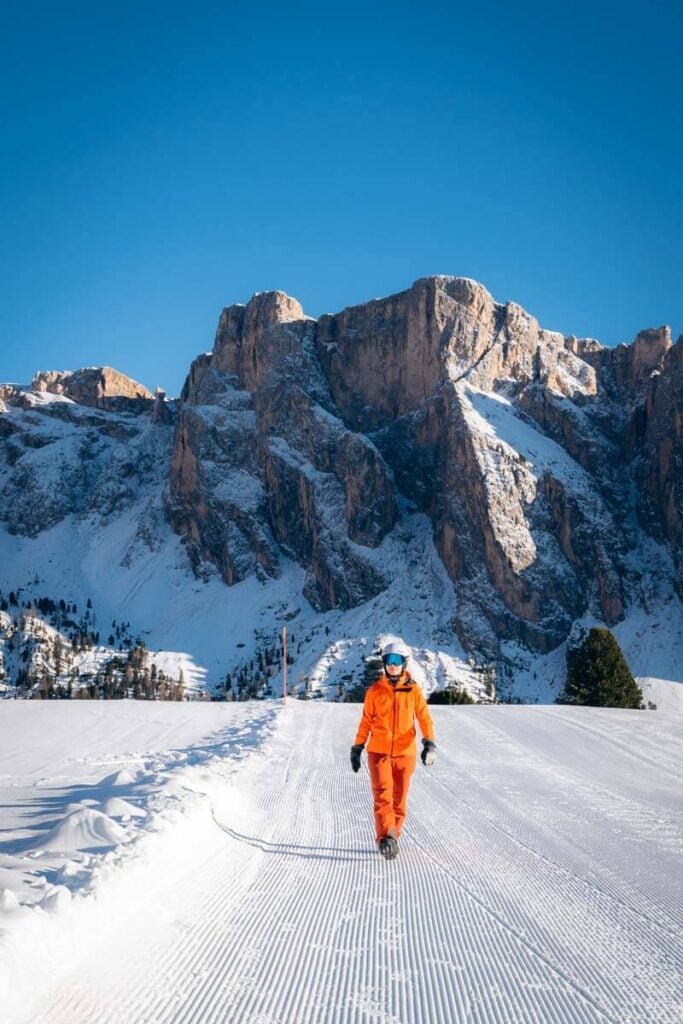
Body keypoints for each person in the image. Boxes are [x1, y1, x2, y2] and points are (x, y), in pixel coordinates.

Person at [350, 640, 436, 859]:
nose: (393, 665)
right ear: (384, 663)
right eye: (389, 660)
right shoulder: (375, 691)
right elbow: (366, 721)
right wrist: (357, 746)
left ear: (404, 663)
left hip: (405, 753)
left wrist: (429, 742)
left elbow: (424, 717)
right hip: (378, 752)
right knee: (383, 796)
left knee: (399, 799)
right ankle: (385, 838)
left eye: (397, 660)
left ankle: (392, 835)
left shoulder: (413, 690)